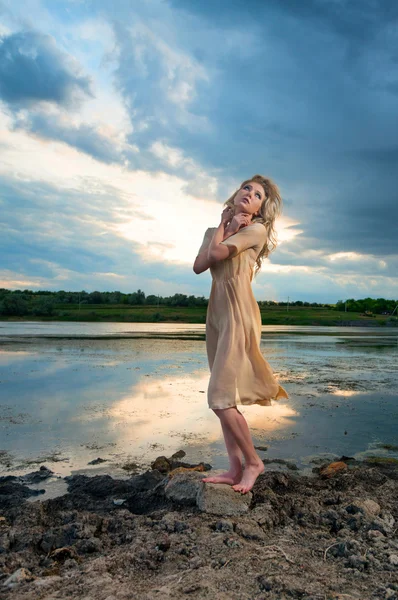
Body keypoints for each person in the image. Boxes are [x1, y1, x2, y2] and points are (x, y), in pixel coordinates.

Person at [193, 174, 289, 494]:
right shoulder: (213, 232)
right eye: (246, 188)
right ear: (235, 193)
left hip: (238, 313)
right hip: (216, 315)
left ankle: (253, 462)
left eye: (258, 194)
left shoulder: (255, 230)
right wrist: (223, 225)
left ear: (261, 209)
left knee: (219, 398)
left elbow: (217, 255)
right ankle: (234, 468)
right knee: (224, 396)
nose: (250, 193)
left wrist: (231, 229)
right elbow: (198, 265)